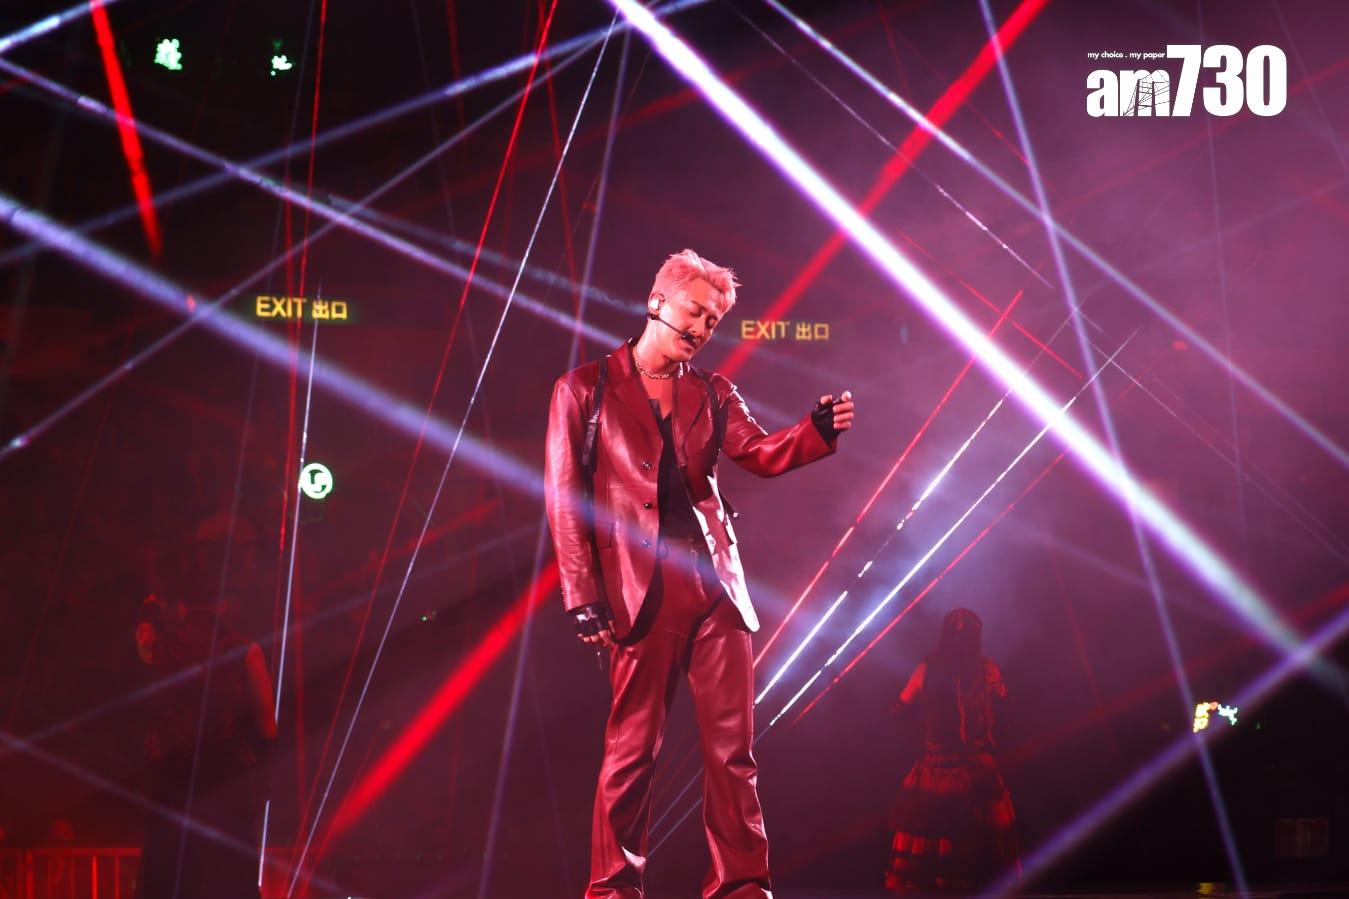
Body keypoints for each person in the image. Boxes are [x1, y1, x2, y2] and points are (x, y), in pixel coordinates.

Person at [545, 249, 856, 899]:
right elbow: (564, 498)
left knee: (732, 752)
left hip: (716, 585)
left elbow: (759, 452)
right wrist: (581, 596)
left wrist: (813, 430)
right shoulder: (583, 389)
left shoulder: (713, 391)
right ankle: (611, 890)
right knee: (632, 751)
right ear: (656, 302)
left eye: (713, 320)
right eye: (694, 311)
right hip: (640, 590)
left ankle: (742, 887)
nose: (702, 328)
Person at [134, 596, 276, 899]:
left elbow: (144, 644)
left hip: (177, 784)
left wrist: (149, 612)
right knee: (227, 877)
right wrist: (264, 772)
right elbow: (267, 724)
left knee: (173, 877)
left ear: (183, 609)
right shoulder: (246, 650)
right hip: (226, 783)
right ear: (223, 607)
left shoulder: (164, 649)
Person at [885, 608, 1019, 894]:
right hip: (969, 766)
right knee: (962, 835)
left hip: (948, 766)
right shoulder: (987, 670)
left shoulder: (928, 668)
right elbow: (1006, 705)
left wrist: (896, 712)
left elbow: (901, 706)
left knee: (943, 835)